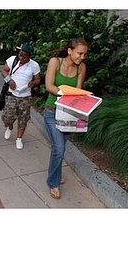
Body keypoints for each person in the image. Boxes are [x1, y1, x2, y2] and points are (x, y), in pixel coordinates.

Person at [44, 37, 88, 199]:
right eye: (79, 53)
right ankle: (53, 182)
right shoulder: (55, 62)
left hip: (69, 114)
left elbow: (78, 91)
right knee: (59, 149)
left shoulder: (81, 67)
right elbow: (49, 86)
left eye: (84, 55)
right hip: (51, 112)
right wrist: (65, 93)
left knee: (59, 148)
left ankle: (56, 172)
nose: (81, 57)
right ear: (70, 51)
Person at [1, 43, 41, 150]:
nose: (21, 58)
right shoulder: (12, 60)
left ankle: (19, 138)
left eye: (24, 56)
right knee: (7, 117)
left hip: (25, 96)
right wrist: (9, 80)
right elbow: (4, 71)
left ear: (29, 56)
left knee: (23, 118)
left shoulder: (34, 65)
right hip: (12, 94)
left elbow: (38, 79)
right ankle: (9, 127)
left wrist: (33, 83)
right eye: (20, 55)